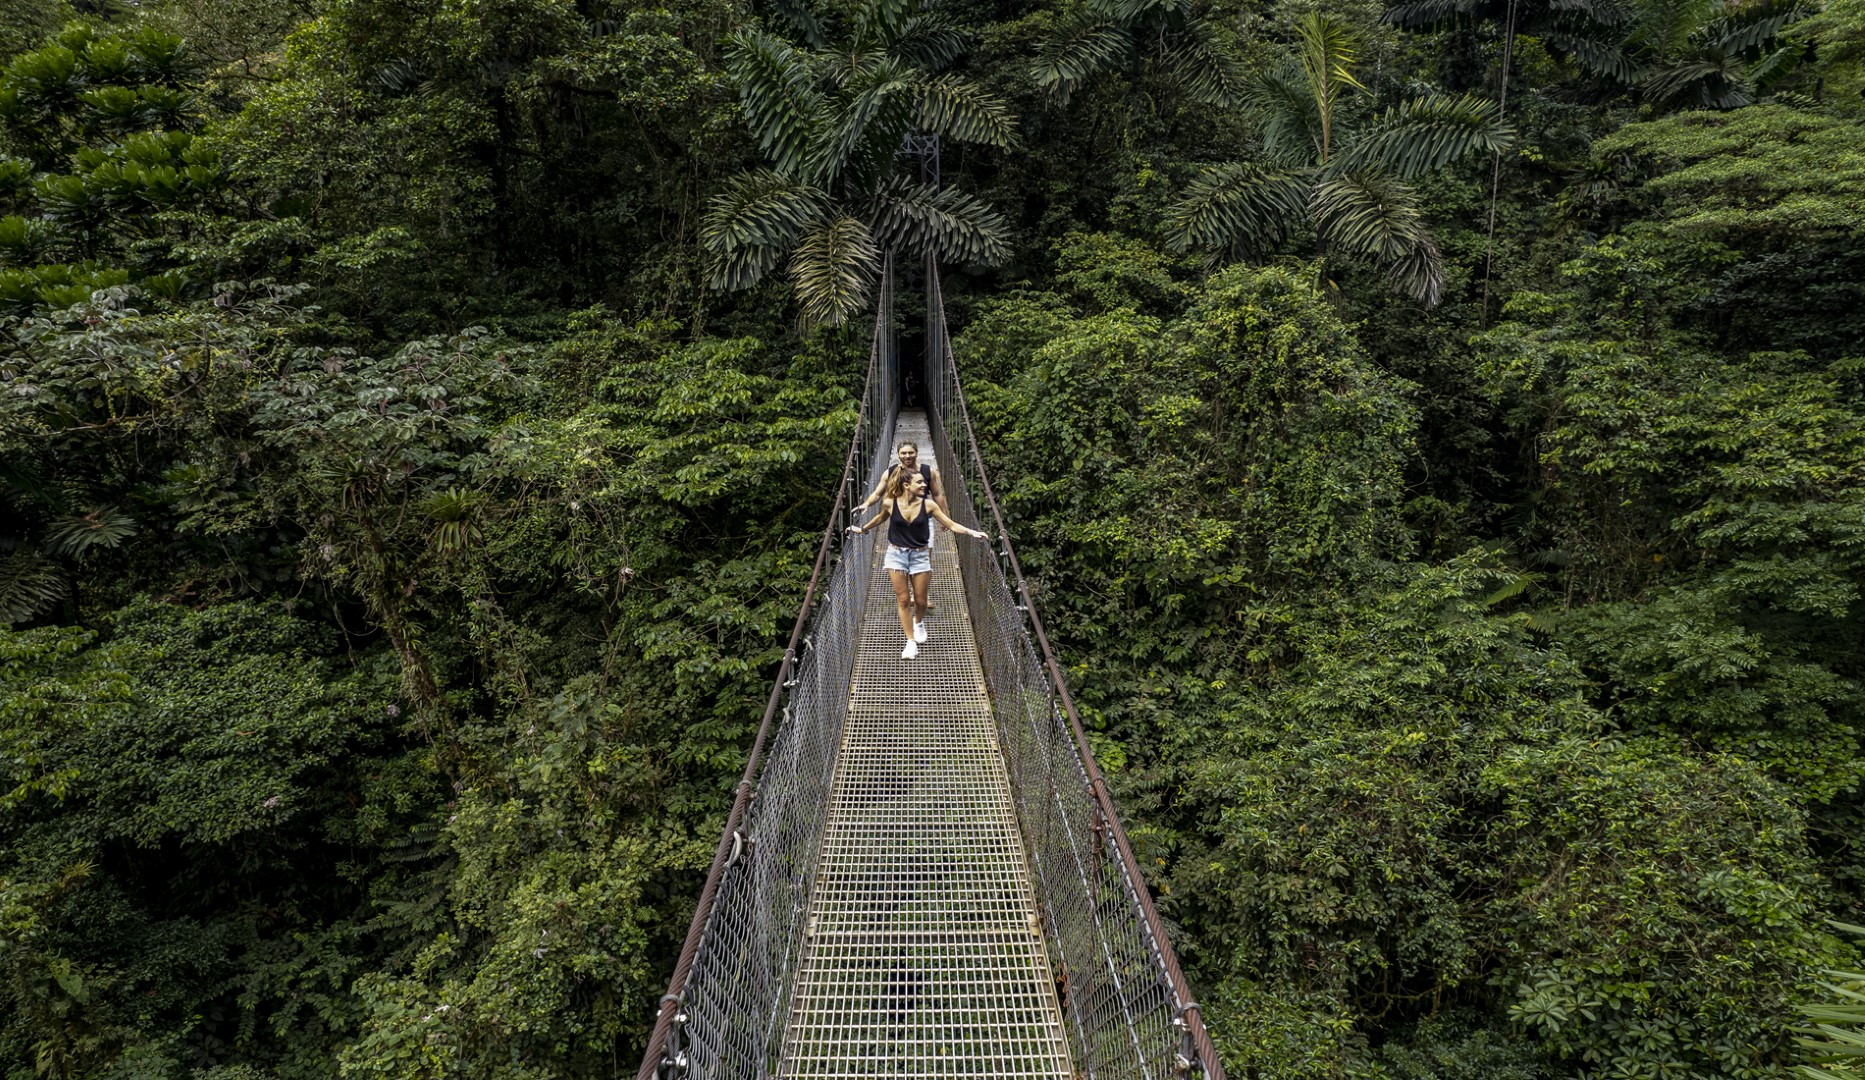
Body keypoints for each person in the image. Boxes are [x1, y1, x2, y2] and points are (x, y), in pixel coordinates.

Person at [846, 469, 987, 659]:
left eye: (924, 482)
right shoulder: (890, 503)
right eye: (919, 482)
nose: (924, 485)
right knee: (903, 599)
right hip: (896, 555)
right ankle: (911, 642)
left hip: (920, 556)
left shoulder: (929, 505)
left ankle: (918, 622)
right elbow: (880, 518)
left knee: (920, 600)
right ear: (906, 485)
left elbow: (951, 524)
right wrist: (862, 529)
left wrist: (972, 532)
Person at [856, 440, 948, 607]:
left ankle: (920, 596)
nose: (907, 456)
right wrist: (866, 504)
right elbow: (877, 493)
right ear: (898, 454)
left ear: (917, 453)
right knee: (902, 561)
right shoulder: (891, 472)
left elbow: (937, 494)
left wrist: (944, 517)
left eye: (910, 452)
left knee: (925, 559)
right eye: (903, 453)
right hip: (899, 522)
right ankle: (907, 594)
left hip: (923, 522)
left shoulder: (928, 471)